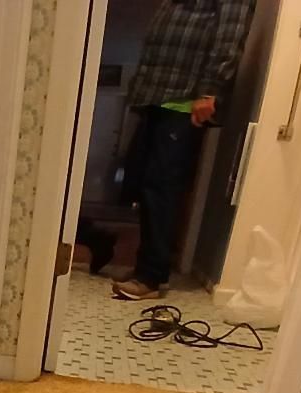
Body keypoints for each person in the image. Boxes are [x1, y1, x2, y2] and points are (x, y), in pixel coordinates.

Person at [113, 0, 257, 301]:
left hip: (183, 97)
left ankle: (150, 277)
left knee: (161, 186)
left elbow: (231, 34)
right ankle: (147, 267)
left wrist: (211, 91)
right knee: (143, 181)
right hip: (159, 92)